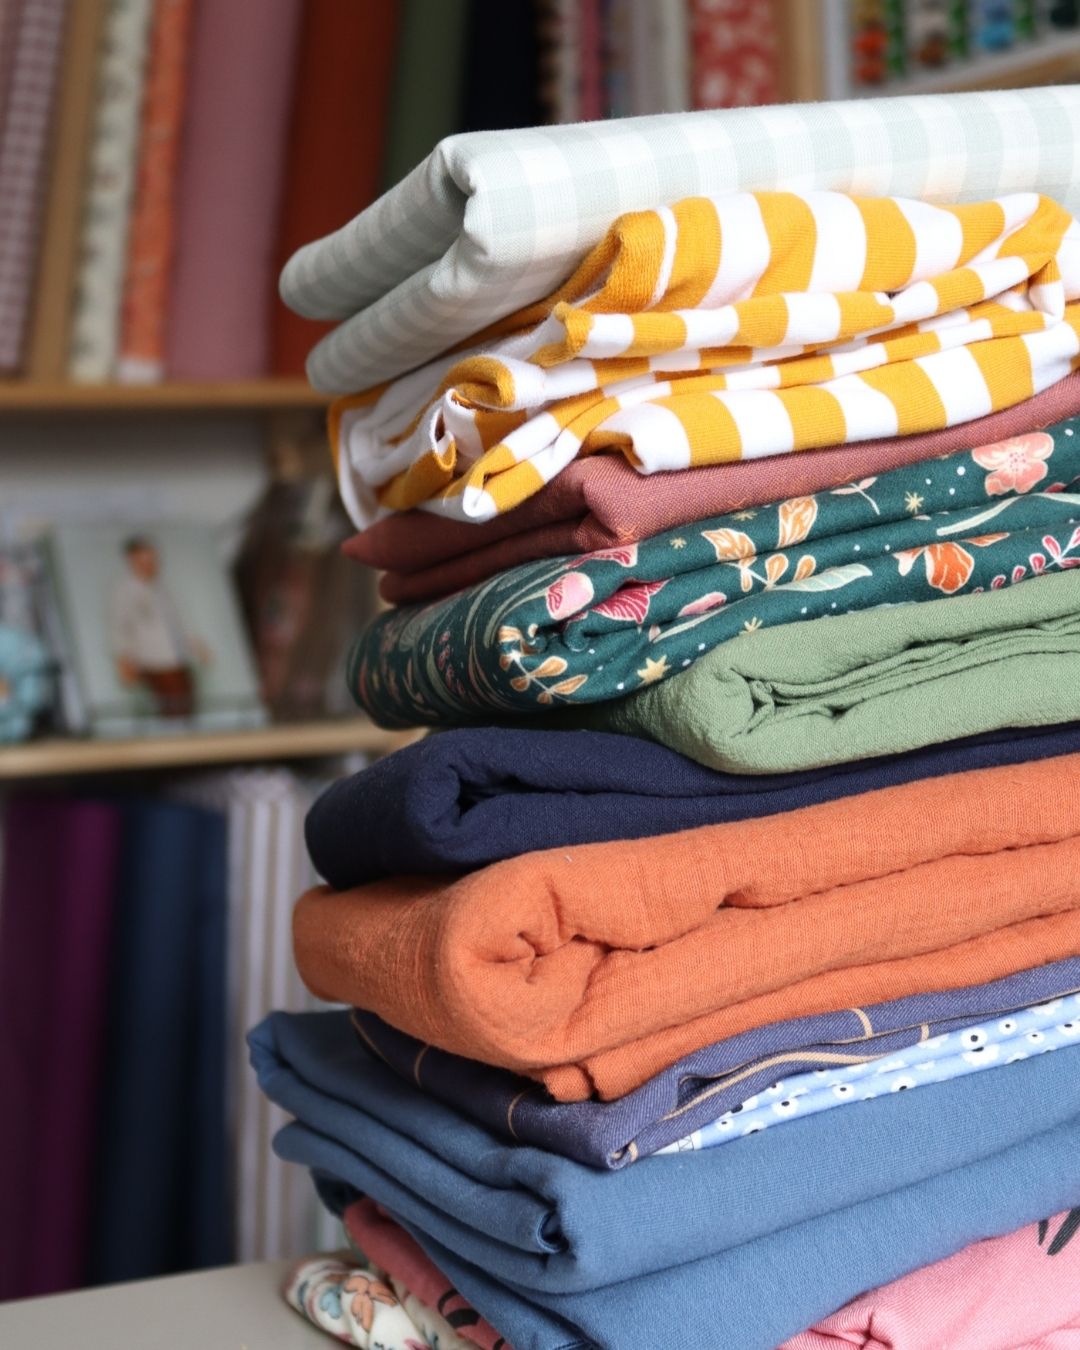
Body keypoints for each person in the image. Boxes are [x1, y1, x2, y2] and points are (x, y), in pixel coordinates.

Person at [108, 536, 208, 718]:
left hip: (177, 659)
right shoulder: (124, 591)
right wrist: (124, 660)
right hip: (154, 662)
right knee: (171, 709)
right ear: (133, 561)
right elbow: (119, 628)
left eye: (153, 559)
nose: (150, 564)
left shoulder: (161, 590)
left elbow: (177, 625)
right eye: (144, 560)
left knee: (188, 705)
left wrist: (196, 647)